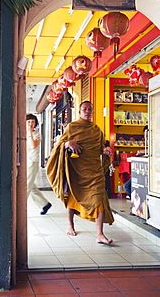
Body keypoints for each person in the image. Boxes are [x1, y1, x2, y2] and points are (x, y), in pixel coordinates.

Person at [46, 101, 114, 245]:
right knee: (73, 197)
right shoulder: (72, 127)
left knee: (98, 199)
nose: (87, 111)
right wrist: (68, 143)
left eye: (90, 109)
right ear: (79, 111)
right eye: (84, 109)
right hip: (76, 170)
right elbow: (59, 146)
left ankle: (100, 234)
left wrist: (105, 151)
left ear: (93, 112)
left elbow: (98, 148)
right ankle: (70, 224)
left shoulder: (96, 130)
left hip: (94, 171)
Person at [26, 113, 52, 215]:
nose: (30, 124)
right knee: (31, 185)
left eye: (32, 122)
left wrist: (29, 133)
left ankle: (20, 208)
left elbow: (33, 146)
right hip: (25, 161)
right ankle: (45, 204)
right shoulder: (23, 133)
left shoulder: (37, 134)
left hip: (32, 162)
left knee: (26, 185)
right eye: (28, 122)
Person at [123, 125, 148, 199]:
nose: (146, 138)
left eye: (147, 136)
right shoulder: (148, 144)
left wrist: (144, 152)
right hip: (143, 170)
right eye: (145, 136)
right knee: (128, 186)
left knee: (128, 186)